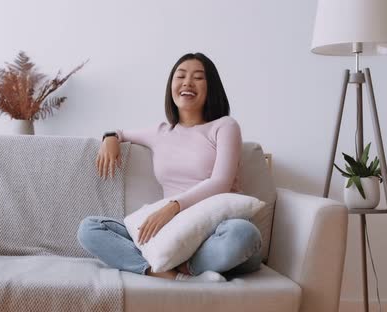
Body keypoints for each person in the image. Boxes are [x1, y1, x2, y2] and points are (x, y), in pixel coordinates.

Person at [77, 52, 262, 282]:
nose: (187, 82)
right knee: (89, 228)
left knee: (243, 234)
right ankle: (165, 273)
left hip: (218, 231)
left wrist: (171, 207)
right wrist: (109, 138)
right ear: (171, 86)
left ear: (211, 87)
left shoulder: (225, 126)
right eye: (181, 76)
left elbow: (221, 183)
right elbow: (120, 132)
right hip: (173, 233)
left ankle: (187, 268)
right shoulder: (160, 132)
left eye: (198, 77)